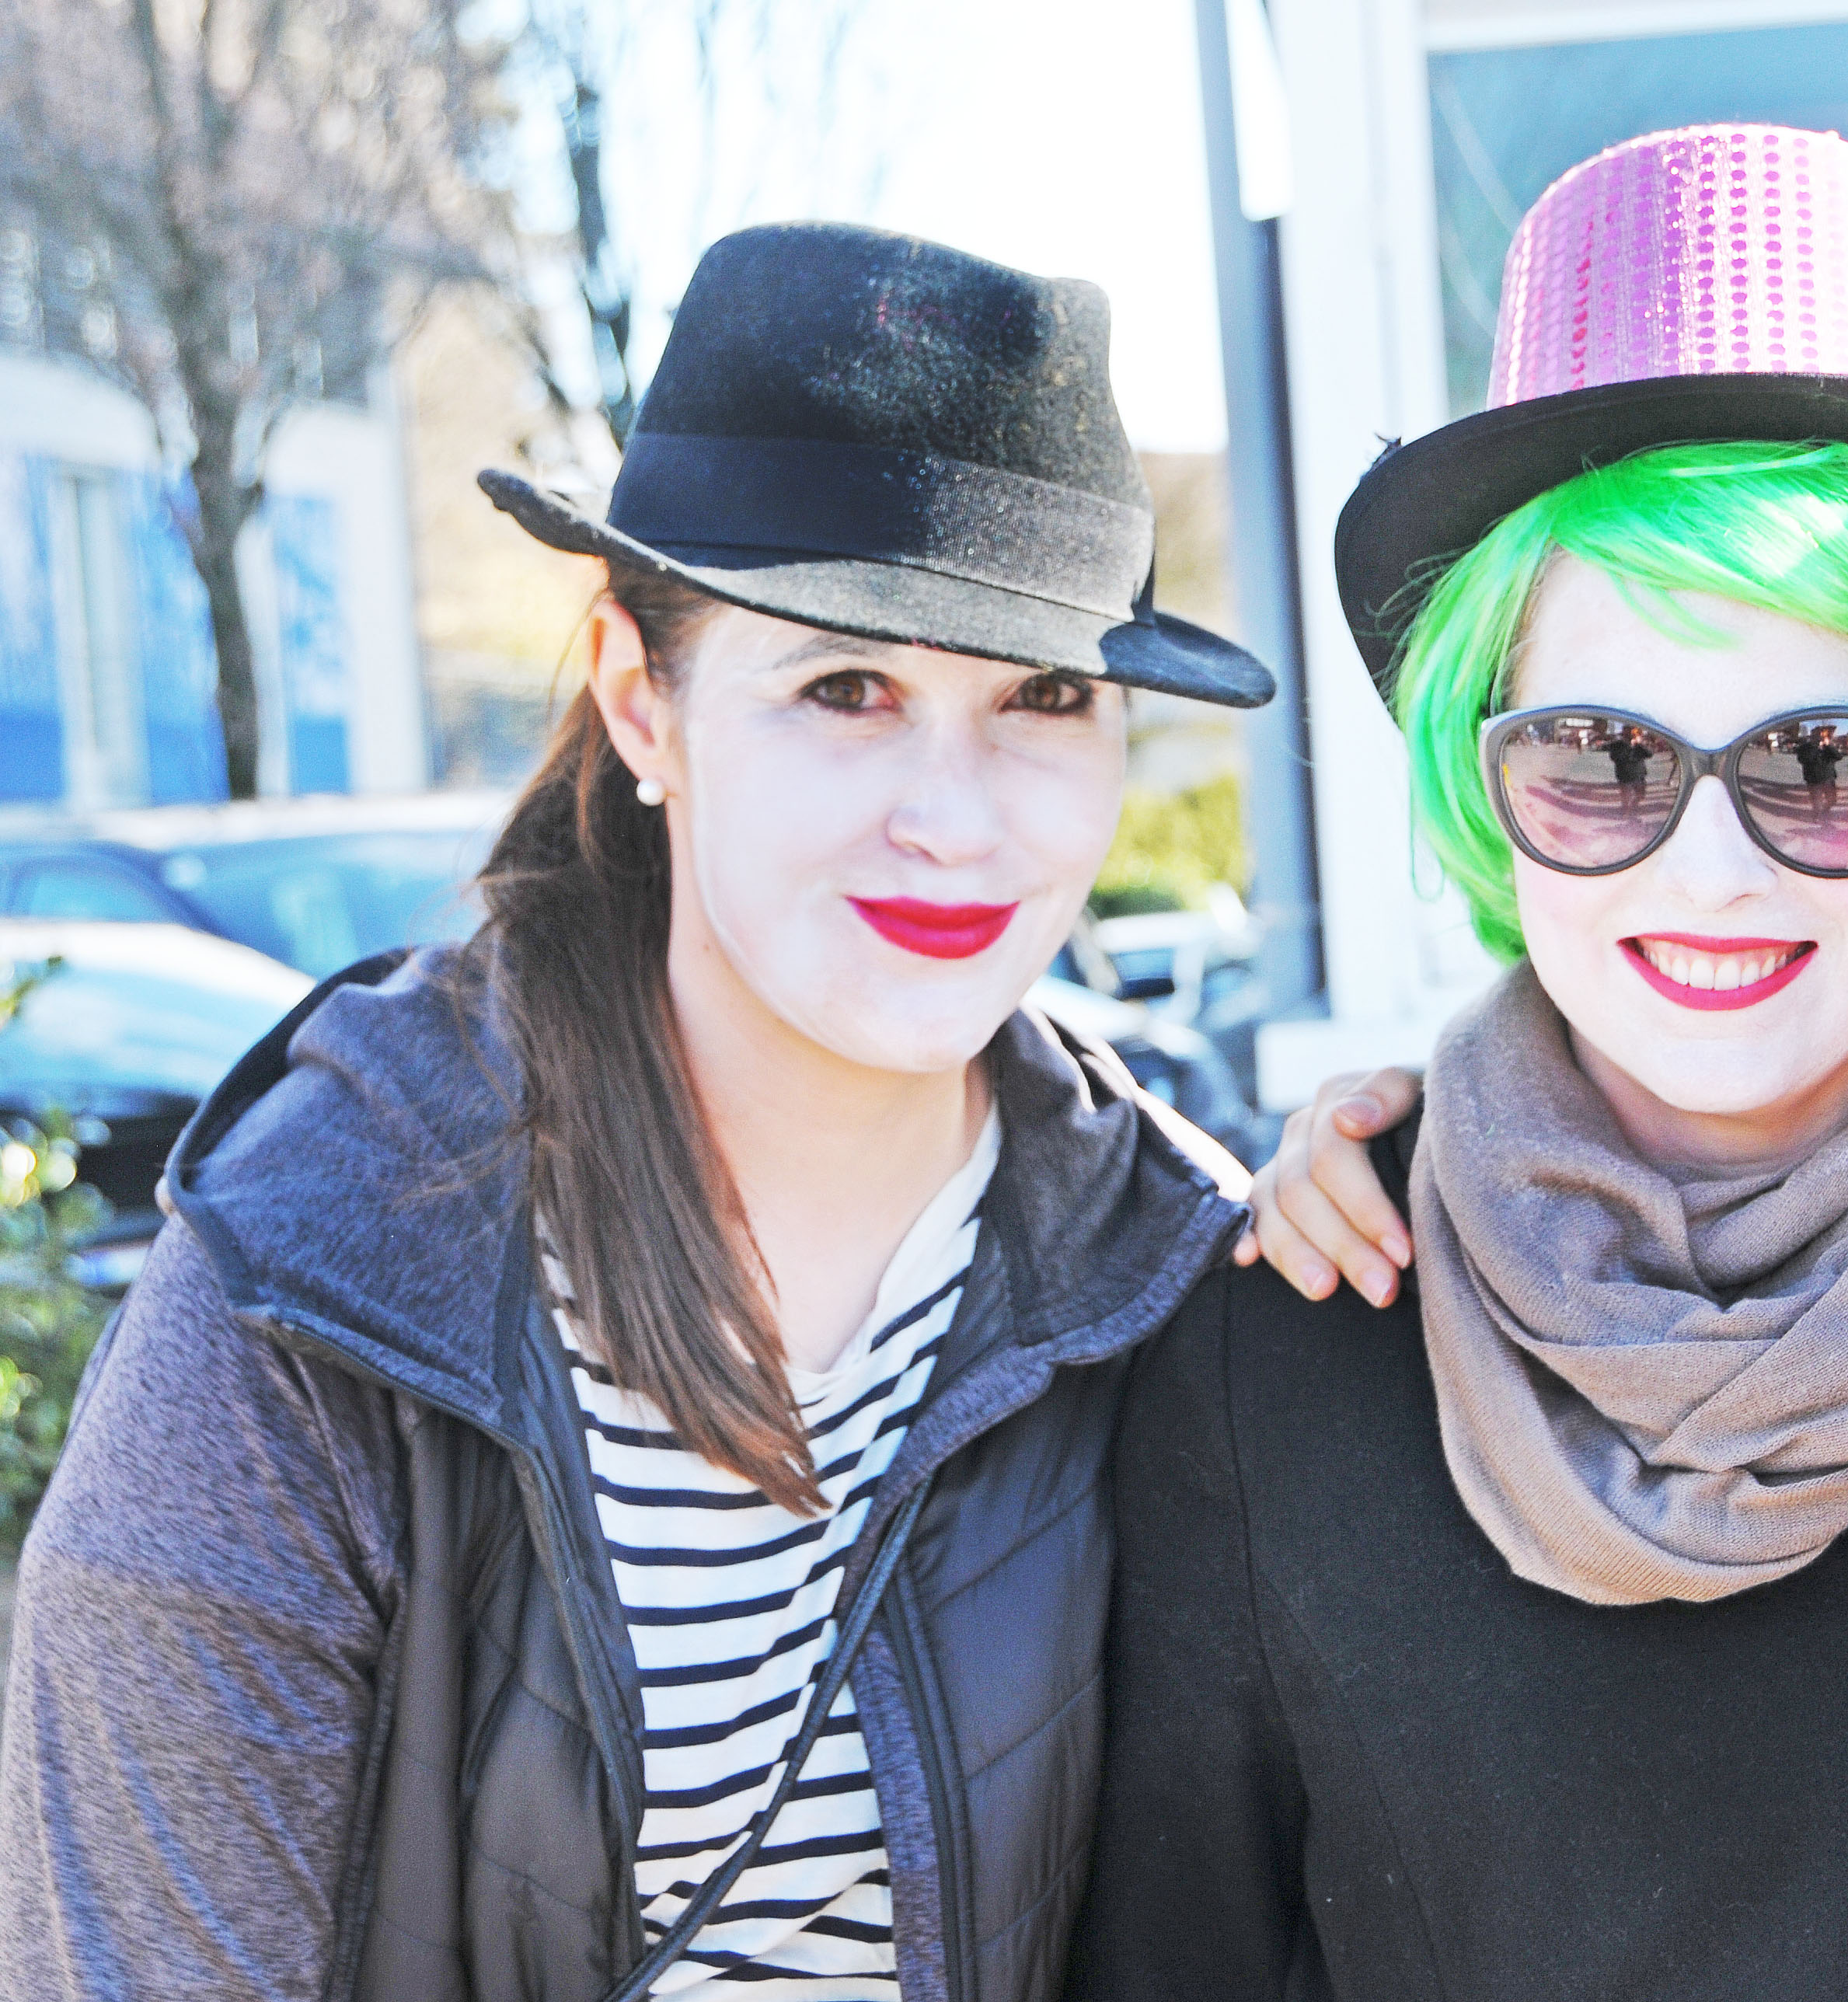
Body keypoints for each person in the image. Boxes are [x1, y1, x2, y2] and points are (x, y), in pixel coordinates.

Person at [1065, 127, 1848, 2002]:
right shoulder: (1277, 1352)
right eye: (1603, 760)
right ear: (1485, 782)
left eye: (1828, 763)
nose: (1713, 870)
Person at [0, 222, 1272, 2002]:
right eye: (847, 688)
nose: (957, 817)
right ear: (639, 702)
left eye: (1043, 697)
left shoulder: (1172, 1267)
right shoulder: (311, 1288)